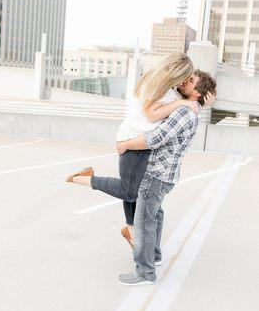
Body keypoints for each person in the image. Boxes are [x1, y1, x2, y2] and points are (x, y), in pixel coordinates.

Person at [66, 69, 217, 285]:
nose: (184, 81)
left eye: (190, 81)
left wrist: (124, 144)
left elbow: (156, 138)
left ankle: (145, 273)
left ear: (197, 93)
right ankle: (153, 256)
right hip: (165, 173)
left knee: (145, 220)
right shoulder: (189, 108)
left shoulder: (185, 112)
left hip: (156, 173)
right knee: (154, 214)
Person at [67, 53, 196, 240]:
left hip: (134, 141)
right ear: (178, 73)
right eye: (186, 77)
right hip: (134, 144)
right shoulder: (163, 89)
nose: (186, 81)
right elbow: (152, 115)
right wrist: (182, 102)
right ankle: (85, 178)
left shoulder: (155, 80)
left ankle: (131, 230)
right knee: (130, 191)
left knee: (132, 190)